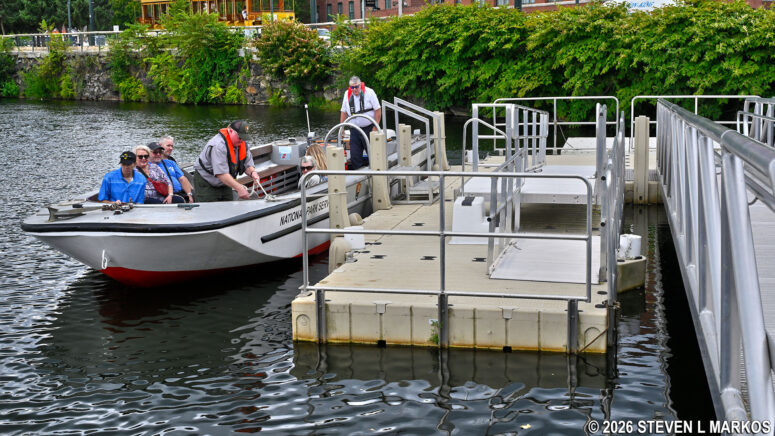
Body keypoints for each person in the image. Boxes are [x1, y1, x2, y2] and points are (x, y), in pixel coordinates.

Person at [193, 120, 262, 202]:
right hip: (206, 181)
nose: (241, 140)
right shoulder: (218, 145)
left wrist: (253, 173)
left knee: (229, 207)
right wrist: (239, 188)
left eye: (244, 137)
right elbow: (221, 174)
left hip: (225, 182)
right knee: (209, 211)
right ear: (230, 131)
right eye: (239, 137)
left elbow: (247, 164)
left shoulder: (242, 143)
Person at [340, 76, 381, 170]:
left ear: (360, 85)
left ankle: (376, 172)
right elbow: (343, 112)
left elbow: (378, 110)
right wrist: (341, 128)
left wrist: (376, 126)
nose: (354, 89)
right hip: (354, 130)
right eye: (352, 87)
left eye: (356, 87)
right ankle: (357, 179)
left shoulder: (370, 92)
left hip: (369, 129)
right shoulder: (347, 94)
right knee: (355, 156)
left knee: (373, 155)